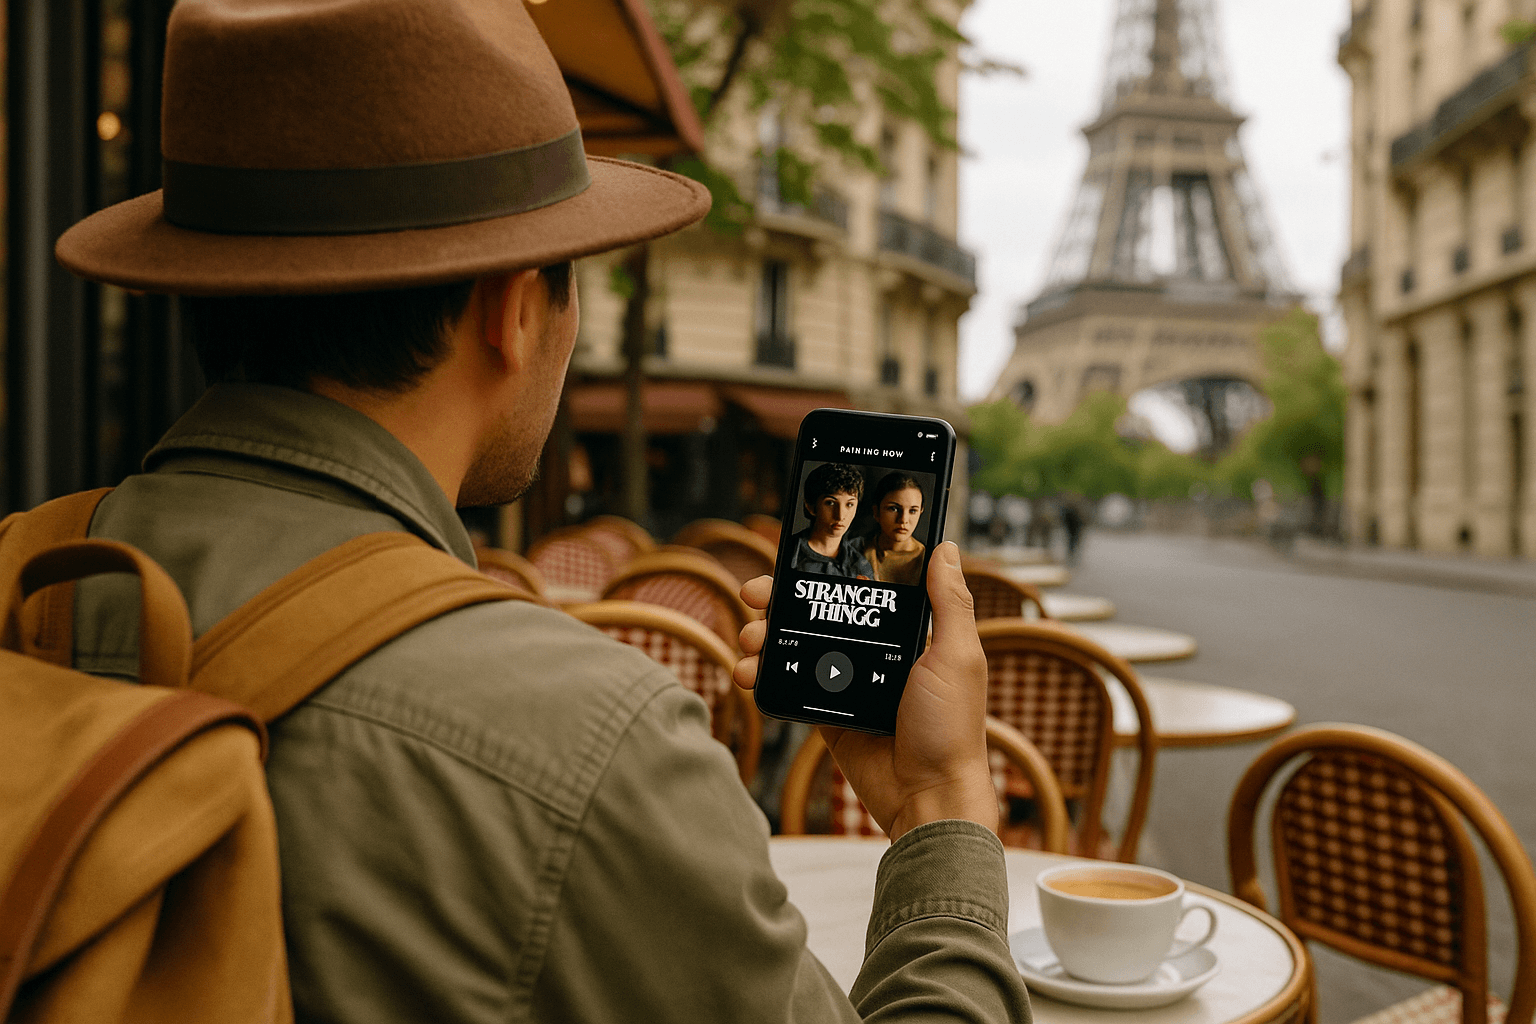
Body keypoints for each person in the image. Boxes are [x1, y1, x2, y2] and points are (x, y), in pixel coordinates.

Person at [53, 2, 1030, 1022]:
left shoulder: (22, 579)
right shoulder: (590, 740)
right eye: (574, 284)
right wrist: (941, 799)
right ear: (514, 311)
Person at [789, 462, 876, 579]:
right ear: (810, 506)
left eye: (850, 504)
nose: (840, 516)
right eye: (830, 503)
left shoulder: (860, 567)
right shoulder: (790, 553)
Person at [862, 471, 927, 586]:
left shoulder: (927, 561)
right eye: (894, 509)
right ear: (876, 512)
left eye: (912, 511)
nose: (903, 520)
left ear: (920, 512)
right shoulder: (855, 550)